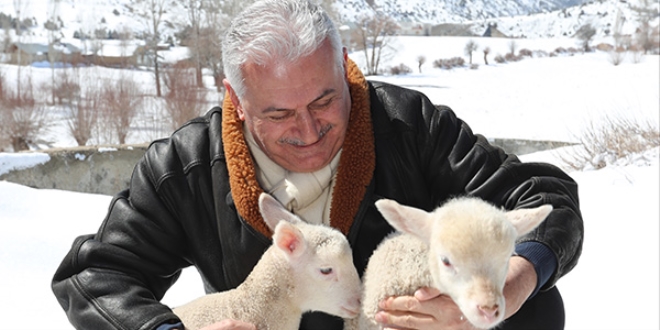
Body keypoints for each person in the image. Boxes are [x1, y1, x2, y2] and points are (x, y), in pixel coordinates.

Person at [52, 0, 583, 329]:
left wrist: (512, 286)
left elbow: (544, 197)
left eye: (326, 101)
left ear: (344, 63)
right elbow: (96, 275)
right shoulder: (184, 165)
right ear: (234, 98)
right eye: (279, 114)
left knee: (537, 309)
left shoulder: (409, 124)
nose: (308, 132)